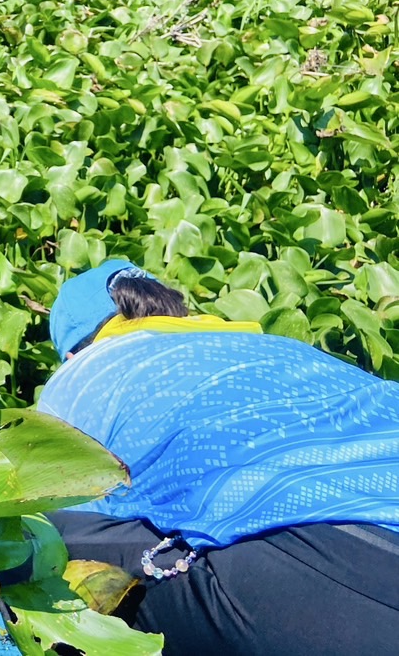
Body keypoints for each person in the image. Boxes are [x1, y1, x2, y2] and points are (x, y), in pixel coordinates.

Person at [39, 260, 399, 656]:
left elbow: (63, 506)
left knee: (34, 537)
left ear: (72, 355)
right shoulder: (279, 345)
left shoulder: (81, 376)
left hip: (321, 580)